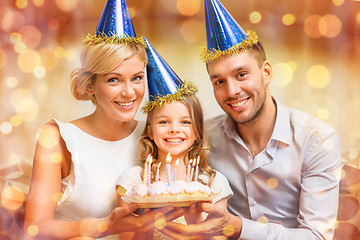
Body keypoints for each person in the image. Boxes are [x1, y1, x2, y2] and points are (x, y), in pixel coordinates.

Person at [159, 0, 341, 239]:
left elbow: (317, 236)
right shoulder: (204, 136)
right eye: (219, 82)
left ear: (266, 72)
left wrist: (237, 227)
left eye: (241, 74)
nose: (232, 91)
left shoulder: (317, 140)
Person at [23, 1, 180, 239]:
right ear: (90, 86)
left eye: (137, 78)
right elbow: (34, 230)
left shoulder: (156, 135)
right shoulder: (57, 138)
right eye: (114, 80)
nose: (129, 92)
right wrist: (107, 226)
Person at [115, 39, 233, 240]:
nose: (174, 130)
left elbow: (219, 236)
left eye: (186, 122)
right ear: (150, 132)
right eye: (164, 122)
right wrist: (148, 221)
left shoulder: (213, 183)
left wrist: (195, 225)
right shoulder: (134, 183)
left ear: (197, 132)